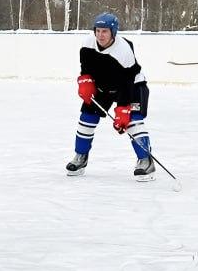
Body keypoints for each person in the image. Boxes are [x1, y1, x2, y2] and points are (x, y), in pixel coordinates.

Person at [65, 12, 156, 181]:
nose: (100, 35)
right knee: (87, 118)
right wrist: (85, 82)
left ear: (113, 32)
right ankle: (80, 157)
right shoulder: (87, 43)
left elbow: (127, 83)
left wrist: (123, 110)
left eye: (104, 31)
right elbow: (85, 68)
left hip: (132, 86)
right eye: (97, 30)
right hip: (104, 87)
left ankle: (146, 161)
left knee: (132, 120)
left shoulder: (123, 50)